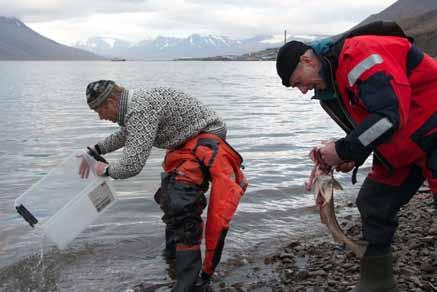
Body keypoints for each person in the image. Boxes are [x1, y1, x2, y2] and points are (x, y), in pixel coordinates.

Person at [276, 21, 437, 292]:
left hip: (433, 129)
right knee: (373, 203)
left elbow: (388, 116)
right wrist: (351, 157)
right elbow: (368, 130)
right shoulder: (330, 88)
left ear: (307, 59)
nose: (303, 90)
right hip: (404, 146)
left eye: (298, 82)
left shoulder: (359, 54)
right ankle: (377, 284)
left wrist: (342, 149)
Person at [79, 80, 248, 292]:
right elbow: (127, 133)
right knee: (169, 196)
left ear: (112, 101)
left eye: (99, 110)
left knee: (181, 203)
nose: (100, 116)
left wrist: (105, 170)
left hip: (205, 138)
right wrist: (97, 150)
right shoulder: (134, 108)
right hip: (186, 142)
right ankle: (172, 261)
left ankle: (188, 284)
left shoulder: (139, 109)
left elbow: (132, 165)